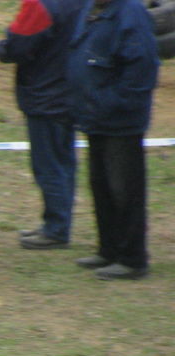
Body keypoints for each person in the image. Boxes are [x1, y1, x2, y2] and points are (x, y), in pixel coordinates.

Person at [68, 0, 158, 280]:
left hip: (120, 121)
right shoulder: (93, 9)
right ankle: (108, 250)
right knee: (102, 186)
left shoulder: (131, 14)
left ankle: (132, 259)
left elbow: (142, 68)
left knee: (124, 190)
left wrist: (112, 102)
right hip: (96, 117)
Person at [0, 0, 83, 251]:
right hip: (72, 90)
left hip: (45, 94)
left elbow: (16, 47)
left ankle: (56, 229)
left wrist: (4, 45)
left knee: (48, 165)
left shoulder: (39, 4)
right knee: (64, 161)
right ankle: (58, 223)